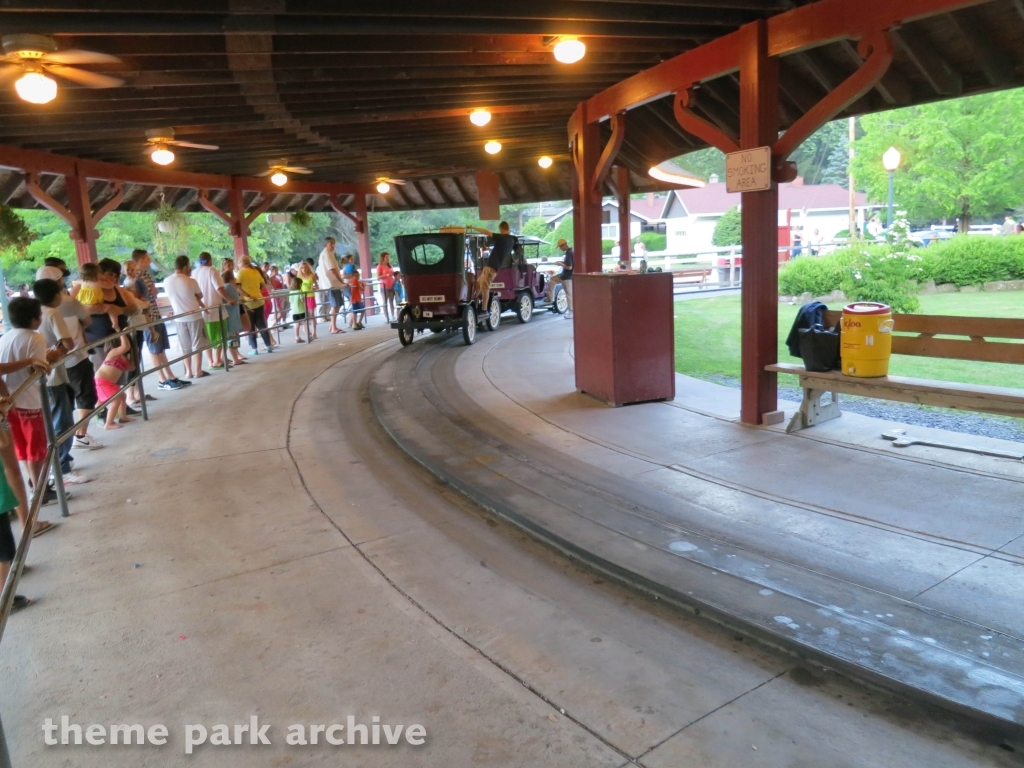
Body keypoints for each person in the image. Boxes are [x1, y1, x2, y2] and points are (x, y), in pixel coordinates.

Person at [0, 298, 63, 504]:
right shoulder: (36, 339)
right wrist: (50, 359)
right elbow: (35, 369)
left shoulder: (5, 336)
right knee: (36, 449)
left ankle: (36, 485)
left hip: (9, 403)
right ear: (36, 319)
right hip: (29, 401)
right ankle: (40, 489)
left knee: (23, 448)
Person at [33, 278, 90, 486]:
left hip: (44, 376)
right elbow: (67, 341)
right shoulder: (53, 313)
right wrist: (62, 347)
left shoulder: (36, 313)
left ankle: (60, 464)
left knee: (56, 419)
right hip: (54, 375)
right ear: (55, 295)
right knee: (62, 420)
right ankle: (61, 468)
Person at [131, 249, 189, 391]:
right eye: (146, 259)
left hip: (156, 313)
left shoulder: (146, 274)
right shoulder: (136, 278)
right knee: (154, 349)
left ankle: (171, 376)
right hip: (148, 316)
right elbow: (143, 297)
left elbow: (154, 293)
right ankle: (162, 379)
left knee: (161, 348)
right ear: (140, 260)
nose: (149, 261)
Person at [163, 255, 209, 378]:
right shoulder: (191, 281)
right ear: (185, 266)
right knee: (197, 345)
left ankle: (188, 371)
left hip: (179, 318)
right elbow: (200, 295)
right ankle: (198, 370)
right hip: (194, 315)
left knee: (185, 347)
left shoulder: (167, 281)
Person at [192, 252, 232, 370]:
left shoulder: (194, 273)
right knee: (220, 336)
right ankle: (217, 360)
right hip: (215, 309)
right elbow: (219, 288)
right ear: (210, 260)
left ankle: (210, 361)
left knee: (206, 338)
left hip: (202, 309)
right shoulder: (212, 270)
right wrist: (229, 299)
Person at [94, 333, 134, 430]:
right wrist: (122, 332)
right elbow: (125, 346)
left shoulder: (123, 357)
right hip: (102, 381)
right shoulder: (112, 352)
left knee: (123, 396)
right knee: (116, 401)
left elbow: (132, 367)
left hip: (111, 383)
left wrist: (133, 353)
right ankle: (108, 423)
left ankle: (123, 417)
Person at [470, 221, 514, 308]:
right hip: (494, 267)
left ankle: (483, 309)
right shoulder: (511, 240)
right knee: (478, 284)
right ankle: (474, 303)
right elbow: (499, 252)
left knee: (485, 288)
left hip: (490, 266)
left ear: (501, 229)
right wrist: (488, 249)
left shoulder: (501, 238)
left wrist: (473, 227)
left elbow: (486, 232)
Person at [236, 256, 274, 355]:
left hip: (248, 302)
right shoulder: (255, 272)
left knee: (251, 326)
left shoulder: (240, 273)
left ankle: (254, 348)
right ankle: (268, 345)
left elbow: (237, 287)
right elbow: (262, 284)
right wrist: (257, 292)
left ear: (241, 263)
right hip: (259, 299)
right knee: (261, 324)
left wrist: (247, 295)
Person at [317, 237, 346, 334]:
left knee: (337, 304)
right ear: (326, 244)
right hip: (330, 283)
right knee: (335, 305)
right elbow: (332, 270)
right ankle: (333, 327)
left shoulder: (330, 253)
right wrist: (341, 281)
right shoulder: (326, 254)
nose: (333, 245)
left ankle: (332, 326)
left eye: (334, 243)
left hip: (334, 283)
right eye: (331, 244)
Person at [220, 270, 247, 366]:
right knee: (233, 337)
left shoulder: (224, 287)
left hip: (227, 315)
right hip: (232, 315)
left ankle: (225, 357)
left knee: (229, 337)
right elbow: (237, 299)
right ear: (231, 278)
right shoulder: (230, 287)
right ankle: (235, 358)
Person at [544, 238, 574, 320]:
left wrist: (560, 264)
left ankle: (571, 312)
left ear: (564, 245)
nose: (560, 249)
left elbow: (569, 267)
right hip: (564, 276)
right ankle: (550, 298)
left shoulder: (568, 253)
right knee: (553, 279)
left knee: (569, 294)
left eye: (560, 247)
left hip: (567, 277)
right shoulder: (572, 251)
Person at [297, 261, 319, 341]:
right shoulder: (299, 278)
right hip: (303, 297)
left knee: (312, 315)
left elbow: (316, 286)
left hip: (310, 296)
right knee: (304, 315)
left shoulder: (311, 276)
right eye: (302, 268)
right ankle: (306, 330)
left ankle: (314, 332)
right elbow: (298, 288)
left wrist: (314, 288)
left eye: (305, 267)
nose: (304, 269)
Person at [377, 252, 397, 323]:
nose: (388, 258)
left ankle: (393, 315)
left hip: (391, 285)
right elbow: (378, 277)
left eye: (388, 257)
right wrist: (386, 275)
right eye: (386, 257)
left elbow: (393, 274)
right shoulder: (380, 266)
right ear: (383, 258)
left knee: (391, 301)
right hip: (384, 286)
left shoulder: (390, 266)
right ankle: (386, 317)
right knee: (385, 301)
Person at [288, 274, 307, 343]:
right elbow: (302, 300)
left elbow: (290, 301)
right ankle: (309, 335)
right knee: (305, 322)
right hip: (301, 310)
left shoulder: (290, 292)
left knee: (297, 324)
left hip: (294, 311)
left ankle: (297, 337)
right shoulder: (299, 291)